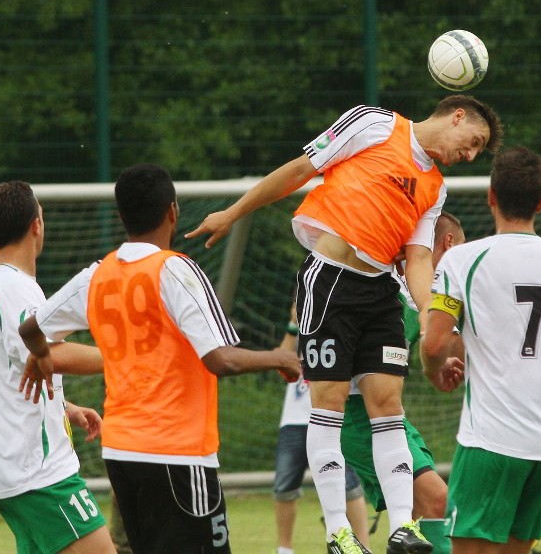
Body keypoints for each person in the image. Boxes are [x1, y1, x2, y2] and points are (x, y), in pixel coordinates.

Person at [187, 95, 503, 554]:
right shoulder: (376, 124)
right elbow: (300, 169)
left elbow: (417, 259)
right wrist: (234, 213)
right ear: (456, 116)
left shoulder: (435, 187)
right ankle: (339, 532)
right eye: (473, 142)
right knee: (329, 406)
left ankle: (402, 528)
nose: (470, 156)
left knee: (388, 405)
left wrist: (436, 313)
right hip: (330, 281)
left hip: (380, 295)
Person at [19, 163, 302, 554]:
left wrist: (40, 358)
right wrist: (280, 358)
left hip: (120, 455)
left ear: (121, 216)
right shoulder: (175, 270)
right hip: (178, 456)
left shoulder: (96, 276)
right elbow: (222, 360)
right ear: (173, 212)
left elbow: (31, 329)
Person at [420, 146, 541, 554]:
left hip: (490, 440)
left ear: (490, 196)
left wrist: (432, 367)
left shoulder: (462, 261)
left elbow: (435, 342)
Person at [0, 180, 116, 554]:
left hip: (8, 469)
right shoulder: (16, 288)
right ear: (36, 225)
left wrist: (64, 408)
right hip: (39, 471)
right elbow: (45, 354)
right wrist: (124, 358)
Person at [341, 211, 466, 554]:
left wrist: (439, 362)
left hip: (385, 416)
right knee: (436, 502)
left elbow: (440, 348)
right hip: (358, 414)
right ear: (449, 243)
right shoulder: (390, 287)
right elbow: (447, 344)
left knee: (418, 518)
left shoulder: (413, 294)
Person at [274, 303, 371, 554]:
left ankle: (362, 545)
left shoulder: (340, 325)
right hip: (294, 421)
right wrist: (293, 323)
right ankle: (284, 549)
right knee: (284, 486)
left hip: (332, 418)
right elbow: (281, 362)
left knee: (348, 484)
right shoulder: (301, 331)